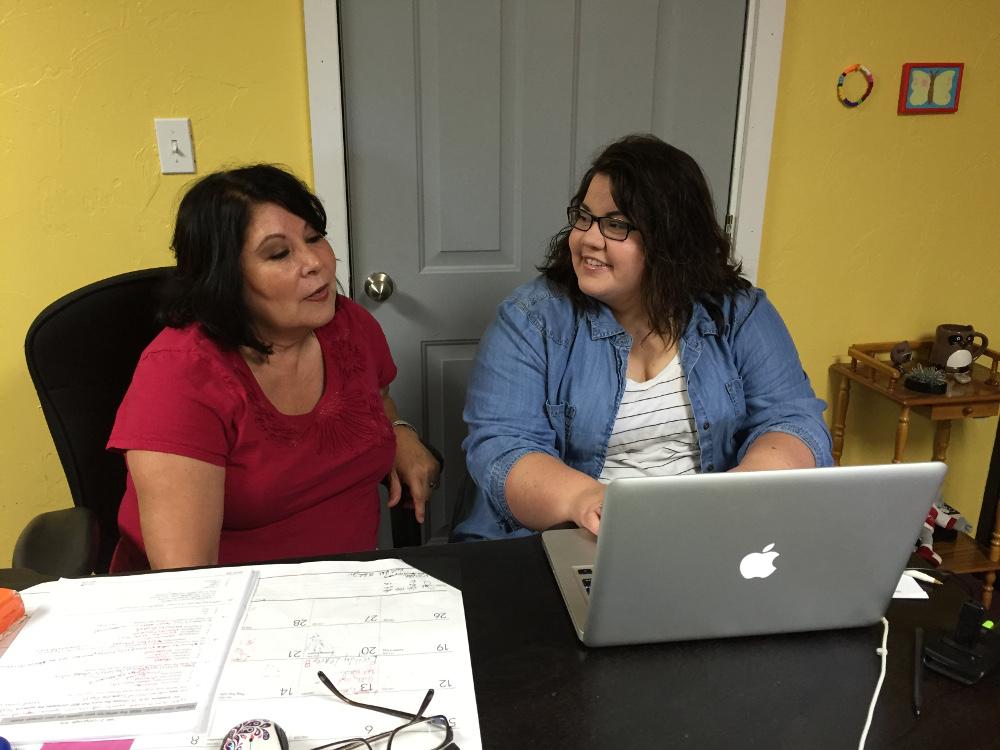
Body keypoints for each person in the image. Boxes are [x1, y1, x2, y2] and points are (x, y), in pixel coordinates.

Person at [455, 134, 832, 541]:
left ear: (671, 240)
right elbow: (504, 448)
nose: (588, 238)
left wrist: (740, 491)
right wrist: (588, 502)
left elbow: (792, 419)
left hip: (712, 532)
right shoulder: (531, 319)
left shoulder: (740, 313)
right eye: (584, 217)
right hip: (574, 536)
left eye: (616, 224)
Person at [107, 164, 440, 571]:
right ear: (224, 277)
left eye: (314, 238)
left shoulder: (349, 326)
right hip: (233, 607)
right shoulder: (180, 377)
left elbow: (379, 398)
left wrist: (398, 431)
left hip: (352, 590)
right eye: (279, 253)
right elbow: (186, 578)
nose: (315, 262)